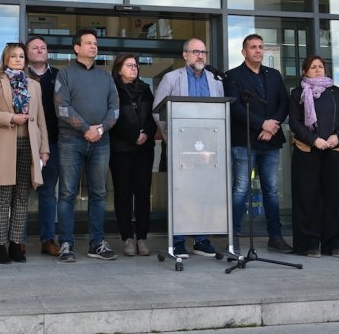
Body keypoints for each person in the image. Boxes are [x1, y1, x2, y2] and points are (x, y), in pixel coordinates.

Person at [152, 38, 223, 259]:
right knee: (181, 192)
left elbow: (220, 110)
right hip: (181, 143)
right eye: (195, 52)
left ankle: (202, 240)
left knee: (205, 191)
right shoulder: (172, 78)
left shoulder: (215, 80)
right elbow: (157, 110)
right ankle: (179, 241)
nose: (200, 56)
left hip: (208, 145)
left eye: (203, 52)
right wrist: (170, 136)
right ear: (185, 56)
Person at [0, 43, 50, 264]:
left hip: (28, 145)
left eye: (21, 56)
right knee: (2, 197)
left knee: (22, 198)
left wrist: (44, 149)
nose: (19, 59)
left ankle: (16, 244)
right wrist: (11, 118)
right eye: (14, 56)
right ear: (6, 59)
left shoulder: (34, 85)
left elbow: (40, 120)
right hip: (4, 145)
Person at [54, 28, 120, 262]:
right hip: (71, 141)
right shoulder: (65, 74)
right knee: (67, 193)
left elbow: (115, 108)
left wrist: (99, 129)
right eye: (89, 43)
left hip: (101, 141)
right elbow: (62, 107)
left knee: (99, 193)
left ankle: (97, 244)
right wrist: (85, 129)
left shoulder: (106, 77)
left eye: (95, 43)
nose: (94, 46)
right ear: (77, 48)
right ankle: (66, 244)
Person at [224, 34, 292, 255]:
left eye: (261, 47)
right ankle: (233, 238)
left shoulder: (274, 75)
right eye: (253, 47)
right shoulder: (233, 76)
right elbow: (234, 108)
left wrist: (272, 126)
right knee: (241, 189)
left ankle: (275, 236)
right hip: (243, 141)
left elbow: (284, 102)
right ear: (244, 52)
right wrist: (262, 124)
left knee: (271, 190)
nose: (258, 51)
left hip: (271, 141)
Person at [288, 55, 339, 258]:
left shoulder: (336, 92)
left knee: (337, 198)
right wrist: (314, 139)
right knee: (307, 198)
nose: (317, 70)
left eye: (320, 67)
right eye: (313, 67)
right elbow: (295, 122)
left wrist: (337, 137)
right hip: (307, 151)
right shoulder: (298, 93)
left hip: (333, 150)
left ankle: (336, 244)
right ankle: (309, 243)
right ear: (305, 71)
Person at [109, 53, 158, 256]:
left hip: (144, 150)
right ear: (119, 69)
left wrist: (145, 133)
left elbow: (154, 115)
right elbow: (113, 117)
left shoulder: (145, 90)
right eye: (129, 65)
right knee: (123, 195)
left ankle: (143, 238)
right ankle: (127, 238)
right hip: (121, 149)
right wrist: (132, 135)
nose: (134, 68)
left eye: (136, 65)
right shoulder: (112, 90)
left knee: (143, 194)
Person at [26, 36, 62, 257]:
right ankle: (17, 240)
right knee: (20, 192)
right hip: (23, 141)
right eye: (34, 48)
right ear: (27, 52)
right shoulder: (19, 76)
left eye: (43, 48)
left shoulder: (59, 76)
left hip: (54, 142)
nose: (40, 51)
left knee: (48, 192)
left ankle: (48, 239)